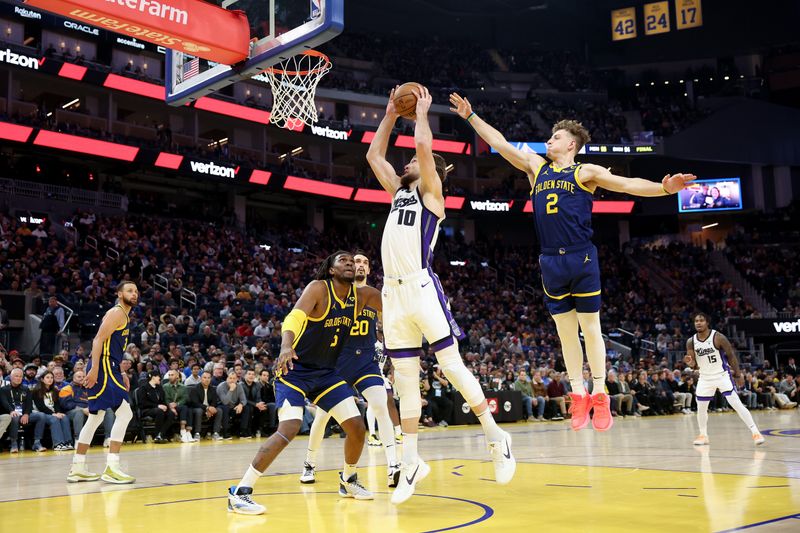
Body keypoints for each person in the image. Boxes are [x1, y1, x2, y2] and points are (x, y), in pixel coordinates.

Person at [449, 92, 696, 434]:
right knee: (566, 333)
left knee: (591, 327)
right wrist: (471, 116)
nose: (549, 140)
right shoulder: (536, 167)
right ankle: (577, 394)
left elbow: (628, 185)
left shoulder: (586, 172)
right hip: (550, 260)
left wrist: (665, 189)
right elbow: (500, 143)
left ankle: (599, 391)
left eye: (556, 137)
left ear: (571, 145)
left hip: (581, 256)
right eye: (549, 137)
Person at [368, 87, 515, 505]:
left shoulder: (434, 193)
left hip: (420, 286)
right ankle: (411, 462)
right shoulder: (398, 191)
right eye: (410, 161)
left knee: (450, 366)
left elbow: (423, 147)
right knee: (405, 382)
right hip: (392, 295)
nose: (409, 161)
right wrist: (388, 114)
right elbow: (373, 157)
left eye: (414, 161)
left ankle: (495, 436)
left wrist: (422, 114)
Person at [227, 252, 378, 515]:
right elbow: (294, 318)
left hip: (326, 373)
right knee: (290, 426)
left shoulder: (362, 296)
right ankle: (240, 492)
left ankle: (348, 480)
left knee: (356, 426)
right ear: (330, 270)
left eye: (352, 262)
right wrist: (286, 346)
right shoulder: (319, 288)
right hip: (294, 369)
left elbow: (394, 302)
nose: (350, 264)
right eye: (343, 260)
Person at [301, 252, 400, 488]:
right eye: (356, 261)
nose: (360, 265)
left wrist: (393, 359)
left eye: (366, 262)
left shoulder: (373, 296)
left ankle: (394, 465)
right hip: (339, 361)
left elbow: (391, 327)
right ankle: (309, 462)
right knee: (323, 416)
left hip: (366, 361)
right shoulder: (338, 293)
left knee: (381, 405)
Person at [67, 281, 138, 484]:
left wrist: (120, 372)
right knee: (125, 413)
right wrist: (95, 368)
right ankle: (112, 467)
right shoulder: (116, 312)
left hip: (110, 367)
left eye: (136, 291)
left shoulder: (124, 315)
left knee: (96, 417)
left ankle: (77, 467)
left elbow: (111, 346)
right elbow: (98, 340)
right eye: (129, 291)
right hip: (104, 366)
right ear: (119, 294)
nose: (134, 294)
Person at [684, 312, 764, 446]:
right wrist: (689, 362)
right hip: (704, 377)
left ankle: (755, 432)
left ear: (707, 322)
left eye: (701, 320)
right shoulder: (691, 341)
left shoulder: (718, 337)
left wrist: (738, 375)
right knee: (701, 408)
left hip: (722, 375)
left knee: (736, 404)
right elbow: (694, 365)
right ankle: (703, 435)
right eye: (696, 321)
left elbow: (731, 356)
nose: (698, 323)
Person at [0, 368, 45, 452]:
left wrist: (26, 414)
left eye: (20, 376)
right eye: (16, 376)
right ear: (10, 377)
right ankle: (14, 443)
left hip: (24, 414)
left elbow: (29, 404)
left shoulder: (26, 389)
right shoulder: (3, 390)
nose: (18, 378)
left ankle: (37, 442)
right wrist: (11, 411)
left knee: (41, 416)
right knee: (15, 417)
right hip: (12, 414)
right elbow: (4, 403)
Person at [32, 370, 74, 451]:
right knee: (54, 419)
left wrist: (58, 412)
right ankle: (58, 444)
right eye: (47, 377)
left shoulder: (55, 390)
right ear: (42, 379)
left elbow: (57, 404)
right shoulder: (37, 391)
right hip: (41, 413)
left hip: (53, 412)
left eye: (51, 377)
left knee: (64, 417)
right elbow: (41, 407)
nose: (50, 379)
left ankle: (68, 442)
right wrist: (53, 414)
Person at [138, 370, 176, 443]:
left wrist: (167, 407)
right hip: (147, 409)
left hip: (159, 408)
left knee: (171, 413)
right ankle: (157, 434)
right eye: (158, 376)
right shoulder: (143, 388)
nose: (160, 378)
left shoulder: (159, 388)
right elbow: (142, 403)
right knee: (159, 411)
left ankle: (160, 434)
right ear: (153, 377)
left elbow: (163, 400)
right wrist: (157, 406)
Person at [186, 370, 221, 441]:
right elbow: (195, 403)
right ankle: (197, 433)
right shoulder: (195, 389)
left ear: (211, 379)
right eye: (204, 377)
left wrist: (211, 408)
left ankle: (216, 433)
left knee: (219, 410)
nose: (207, 379)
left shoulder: (213, 389)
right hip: (197, 408)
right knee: (199, 411)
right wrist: (207, 408)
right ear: (201, 379)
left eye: (208, 378)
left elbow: (215, 402)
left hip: (208, 408)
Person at [163, 370, 195, 443]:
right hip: (168, 406)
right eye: (169, 375)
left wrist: (177, 404)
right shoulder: (165, 386)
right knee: (185, 408)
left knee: (187, 408)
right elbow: (166, 398)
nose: (170, 377)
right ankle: (183, 431)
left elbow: (184, 398)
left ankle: (188, 432)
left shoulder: (183, 387)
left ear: (177, 376)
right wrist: (171, 406)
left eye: (172, 375)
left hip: (179, 406)